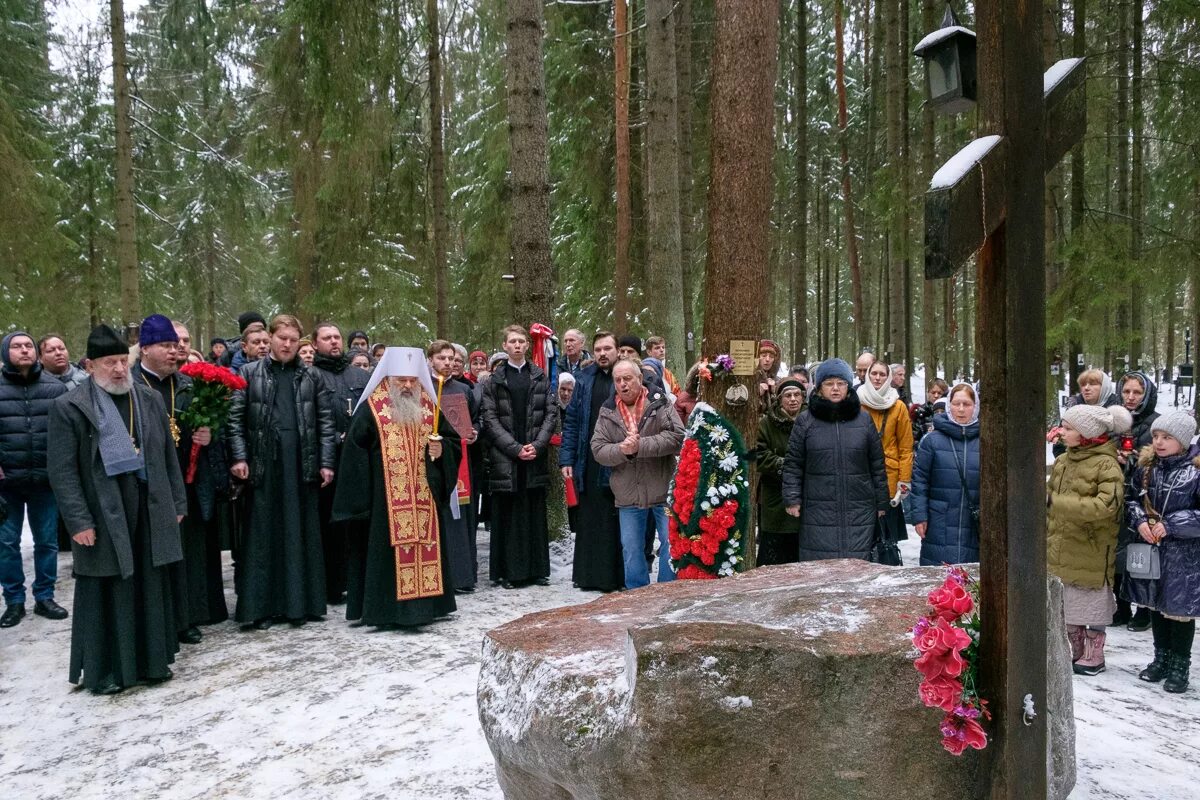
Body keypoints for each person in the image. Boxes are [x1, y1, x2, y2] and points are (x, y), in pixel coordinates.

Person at [48, 325, 188, 693]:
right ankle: (106, 670)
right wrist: (78, 521)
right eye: (109, 363)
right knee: (108, 588)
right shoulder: (70, 407)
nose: (118, 370)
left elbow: (166, 458)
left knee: (148, 582)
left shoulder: (148, 399)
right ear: (90, 365)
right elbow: (62, 472)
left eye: (123, 362)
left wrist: (176, 502)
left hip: (148, 504)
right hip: (102, 510)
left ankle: (152, 662)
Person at [333, 348, 460, 628]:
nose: (407, 386)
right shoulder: (371, 408)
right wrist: (363, 500)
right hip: (383, 502)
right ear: (389, 378)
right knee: (384, 554)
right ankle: (386, 611)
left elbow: (451, 442)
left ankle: (428, 607)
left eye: (412, 381)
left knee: (425, 546)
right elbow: (354, 454)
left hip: (424, 496)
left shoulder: (429, 405)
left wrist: (441, 450)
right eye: (401, 380)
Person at [228, 315, 335, 629]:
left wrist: (326, 462)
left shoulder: (312, 377)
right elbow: (234, 422)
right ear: (270, 338)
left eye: (292, 339)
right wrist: (239, 457)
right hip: (264, 464)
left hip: (301, 464)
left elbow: (325, 423)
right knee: (263, 536)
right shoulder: (248, 374)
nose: (287, 344)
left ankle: (300, 605)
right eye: (281, 338)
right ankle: (260, 608)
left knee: (300, 532)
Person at [135, 316, 228, 643]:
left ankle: (186, 616)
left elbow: (210, 428)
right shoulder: (132, 385)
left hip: (187, 482)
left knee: (187, 552)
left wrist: (207, 434)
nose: (175, 353)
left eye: (176, 347)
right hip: (147, 486)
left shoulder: (187, 384)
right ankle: (158, 619)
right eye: (166, 346)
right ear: (145, 349)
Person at [1047, 402, 1132, 676]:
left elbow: (1106, 506)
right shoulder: (1062, 462)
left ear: (1086, 434)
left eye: (1068, 428)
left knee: (1091, 602)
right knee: (1068, 605)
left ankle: (1095, 653)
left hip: (1091, 546)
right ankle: (1076, 648)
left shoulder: (1107, 465)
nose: (1062, 432)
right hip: (1062, 543)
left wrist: (1056, 503)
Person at [782, 358, 889, 561]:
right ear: (819, 387)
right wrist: (792, 497)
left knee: (857, 569)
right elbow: (793, 463)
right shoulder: (806, 421)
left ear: (848, 387)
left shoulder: (864, 420)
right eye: (829, 384)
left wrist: (882, 502)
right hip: (818, 509)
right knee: (820, 570)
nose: (835, 389)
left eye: (841, 383)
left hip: (859, 508)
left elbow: (877, 464)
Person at [1123, 410, 1199, 693]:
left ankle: (1180, 665)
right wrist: (1140, 520)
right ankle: (1161, 658)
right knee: (1155, 603)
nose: (1159, 442)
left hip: (1184, 556)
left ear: (1183, 440)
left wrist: (1172, 524)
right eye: (1156, 436)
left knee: (1179, 611)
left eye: (1167, 437)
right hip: (1152, 551)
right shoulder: (1146, 468)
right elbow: (1131, 500)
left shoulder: (1195, 471)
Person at [590, 358, 683, 589]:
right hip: (628, 492)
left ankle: (666, 592)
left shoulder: (659, 403)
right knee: (631, 549)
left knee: (671, 544)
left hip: (662, 488)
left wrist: (640, 446)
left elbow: (677, 436)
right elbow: (598, 449)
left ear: (640, 379)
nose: (623, 384)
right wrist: (622, 450)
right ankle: (637, 595)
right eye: (618, 380)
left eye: (628, 378)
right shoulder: (607, 410)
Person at [0, 331, 69, 628]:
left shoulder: (54, 389)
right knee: (6, 543)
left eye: (28, 345)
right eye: (17, 346)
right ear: (6, 353)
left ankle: (45, 595)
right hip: (7, 483)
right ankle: (14, 600)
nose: (24, 351)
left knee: (47, 541)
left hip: (44, 480)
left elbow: (67, 433)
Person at [481, 325, 558, 589]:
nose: (517, 345)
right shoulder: (494, 380)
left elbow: (551, 413)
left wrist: (537, 444)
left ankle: (537, 570)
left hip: (534, 455)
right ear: (504, 346)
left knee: (533, 513)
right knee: (509, 516)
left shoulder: (539, 376)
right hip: (507, 458)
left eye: (521, 341)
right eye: (512, 341)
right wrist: (515, 448)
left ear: (527, 345)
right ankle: (509, 573)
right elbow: (489, 419)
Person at [310, 322, 370, 605]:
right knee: (328, 524)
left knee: (356, 522)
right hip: (326, 459)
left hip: (357, 459)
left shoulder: (359, 374)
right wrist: (335, 436)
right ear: (314, 344)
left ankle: (354, 581)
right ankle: (330, 584)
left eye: (336, 337)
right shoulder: (309, 376)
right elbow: (309, 419)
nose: (334, 342)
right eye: (327, 338)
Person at [559, 333, 623, 592]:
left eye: (608, 348)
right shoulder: (584, 380)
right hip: (587, 459)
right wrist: (567, 458)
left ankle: (615, 577)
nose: (602, 353)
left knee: (614, 519)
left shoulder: (624, 378)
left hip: (618, 459)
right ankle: (588, 576)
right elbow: (572, 422)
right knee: (589, 519)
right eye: (598, 349)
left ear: (617, 350)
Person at [428, 340, 480, 593]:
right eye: (442, 358)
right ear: (430, 360)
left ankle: (462, 576)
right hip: (433, 462)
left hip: (461, 461)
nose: (447, 363)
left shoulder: (464, 389)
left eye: (451, 358)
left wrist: (474, 433)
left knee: (461, 518)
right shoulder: (422, 388)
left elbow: (476, 418)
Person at [909, 383, 981, 565]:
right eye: (956, 404)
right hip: (939, 519)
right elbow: (920, 480)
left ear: (976, 406)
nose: (961, 409)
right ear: (949, 406)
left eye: (967, 404)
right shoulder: (932, 441)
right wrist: (919, 515)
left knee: (971, 579)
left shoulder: (986, 440)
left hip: (974, 522)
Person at [1114, 370, 1161, 629]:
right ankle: (1120, 606)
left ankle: (1144, 608)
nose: (1131, 397)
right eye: (1127, 391)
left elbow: (1159, 456)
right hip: (1115, 496)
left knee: (1143, 556)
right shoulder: (1114, 420)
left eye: (1137, 392)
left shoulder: (1156, 423)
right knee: (1118, 555)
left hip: (1144, 498)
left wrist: (1133, 461)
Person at [857, 358, 915, 559]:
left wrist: (904, 479)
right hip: (861, 474)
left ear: (888, 377)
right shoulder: (857, 401)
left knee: (886, 538)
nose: (878, 378)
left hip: (889, 478)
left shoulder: (898, 406)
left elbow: (906, 447)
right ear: (867, 375)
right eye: (874, 373)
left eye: (882, 374)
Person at [755, 378, 806, 565]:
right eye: (787, 395)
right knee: (774, 556)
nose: (793, 399)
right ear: (779, 399)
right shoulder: (767, 423)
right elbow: (758, 454)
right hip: (776, 499)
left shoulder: (812, 420)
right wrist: (782, 465)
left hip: (805, 496)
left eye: (797, 395)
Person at [911, 378, 950, 445]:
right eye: (933, 392)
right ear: (928, 393)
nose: (936, 396)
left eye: (939, 393)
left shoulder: (950, 412)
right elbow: (914, 437)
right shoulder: (920, 412)